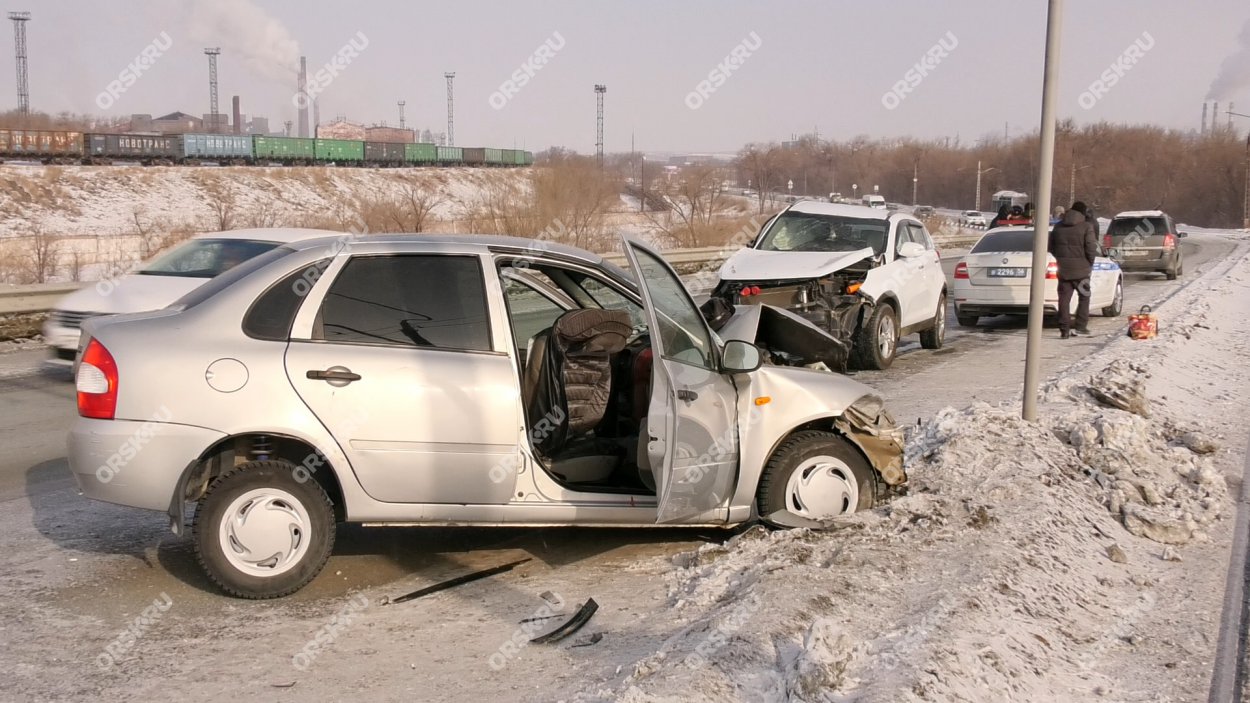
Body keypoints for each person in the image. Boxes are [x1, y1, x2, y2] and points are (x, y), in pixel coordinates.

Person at [1048, 201, 1099, 338]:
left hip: (1063, 270)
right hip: (1082, 271)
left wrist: (1061, 259)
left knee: (1064, 299)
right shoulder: (1086, 226)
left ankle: (1064, 330)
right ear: (1083, 213)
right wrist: (1089, 263)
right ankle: (1080, 327)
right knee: (1084, 296)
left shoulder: (1058, 226)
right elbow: (1091, 248)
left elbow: (1050, 246)